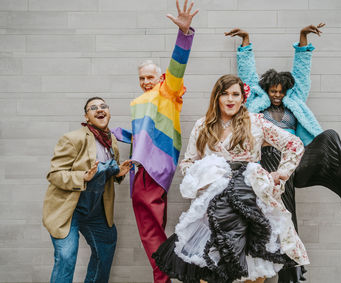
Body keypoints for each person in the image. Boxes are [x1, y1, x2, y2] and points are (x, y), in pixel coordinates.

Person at [225, 24, 341, 282]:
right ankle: (293, 277)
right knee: (286, 218)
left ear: (286, 90)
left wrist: (303, 39)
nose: (276, 95)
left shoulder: (294, 101)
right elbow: (247, 75)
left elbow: (302, 72)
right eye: (272, 91)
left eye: (280, 91)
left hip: (296, 162)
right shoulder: (255, 104)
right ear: (266, 89)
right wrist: (246, 41)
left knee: (330, 135)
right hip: (268, 166)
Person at [152, 74, 309, 283]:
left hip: (249, 201)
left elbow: (294, 145)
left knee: (251, 272)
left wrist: (280, 174)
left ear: (242, 98)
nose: (230, 99)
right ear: (216, 97)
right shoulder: (202, 125)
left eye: (235, 94)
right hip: (214, 205)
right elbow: (188, 163)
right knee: (208, 271)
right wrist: (206, 175)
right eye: (224, 94)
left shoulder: (255, 123)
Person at [111, 1, 198, 282]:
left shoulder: (167, 92)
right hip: (143, 167)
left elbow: (177, 67)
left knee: (148, 226)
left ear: (159, 78)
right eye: (141, 78)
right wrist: (116, 134)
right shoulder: (139, 102)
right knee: (154, 224)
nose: (146, 81)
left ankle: (165, 274)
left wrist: (184, 35)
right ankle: (166, 272)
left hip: (154, 167)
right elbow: (143, 134)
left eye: (150, 77)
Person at [43, 97, 132, 283]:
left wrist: (118, 173)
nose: (99, 110)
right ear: (87, 116)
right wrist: (82, 176)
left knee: (106, 247)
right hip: (69, 210)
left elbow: (107, 172)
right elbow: (54, 175)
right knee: (66, 257)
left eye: (103, 106)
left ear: (108, 112)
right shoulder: (73, 139)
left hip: (95, 210)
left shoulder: (111, 141)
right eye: (93, 108)